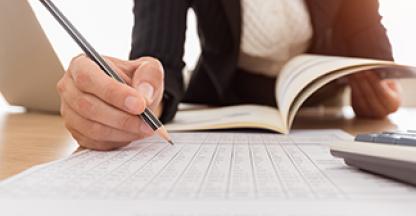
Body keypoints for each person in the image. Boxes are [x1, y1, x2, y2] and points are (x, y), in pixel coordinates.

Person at [57, 0, 401, 150]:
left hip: (317, 105)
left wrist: (384, 91)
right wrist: (140, 100)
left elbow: (367, 31)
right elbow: (158, 60)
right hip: (224, 103)